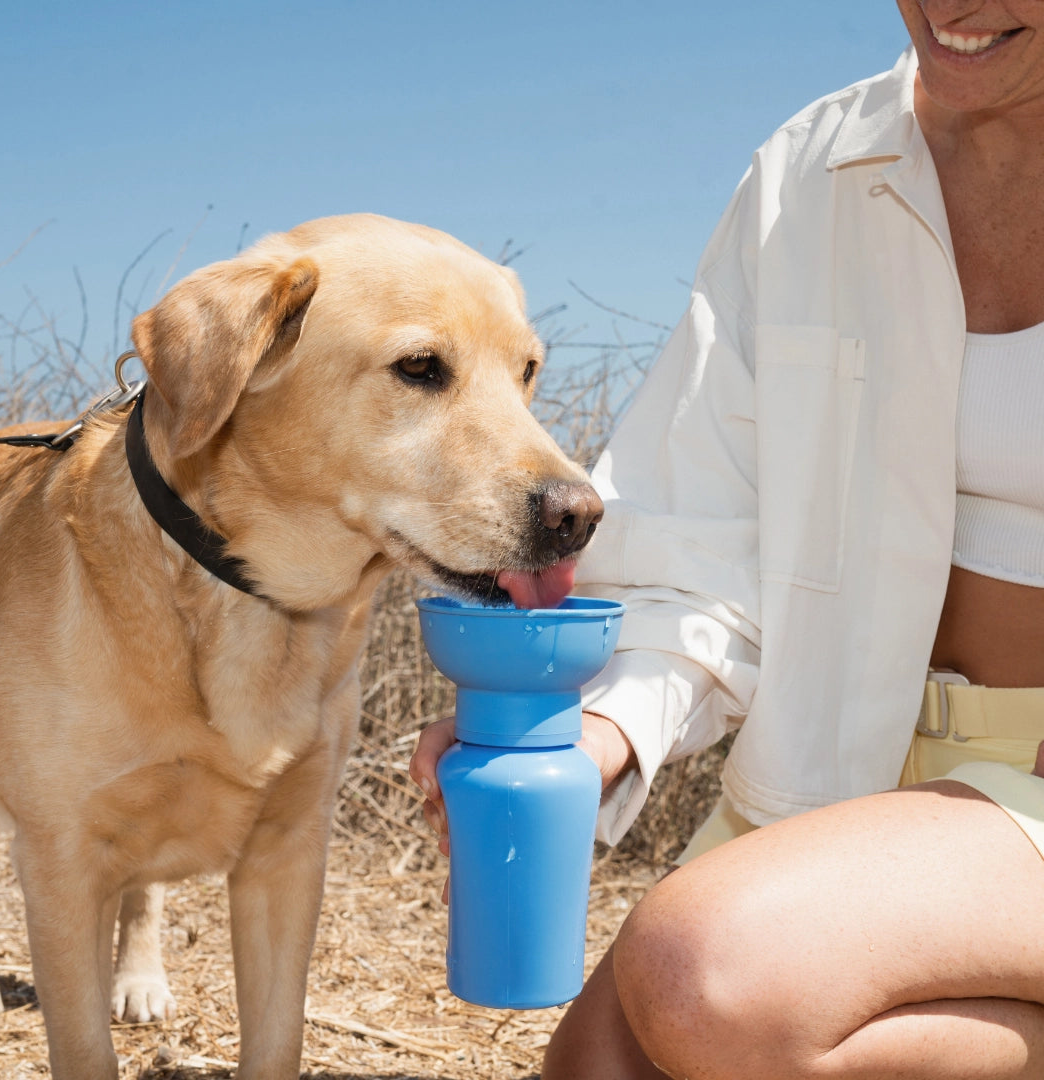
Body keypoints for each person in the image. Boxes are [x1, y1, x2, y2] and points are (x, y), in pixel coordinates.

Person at [411, 1, 1044, 1075]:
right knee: (601, 1061)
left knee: (703, 975)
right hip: (848, 752)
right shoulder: (806, 173)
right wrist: (594, 736)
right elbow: (701, 529)